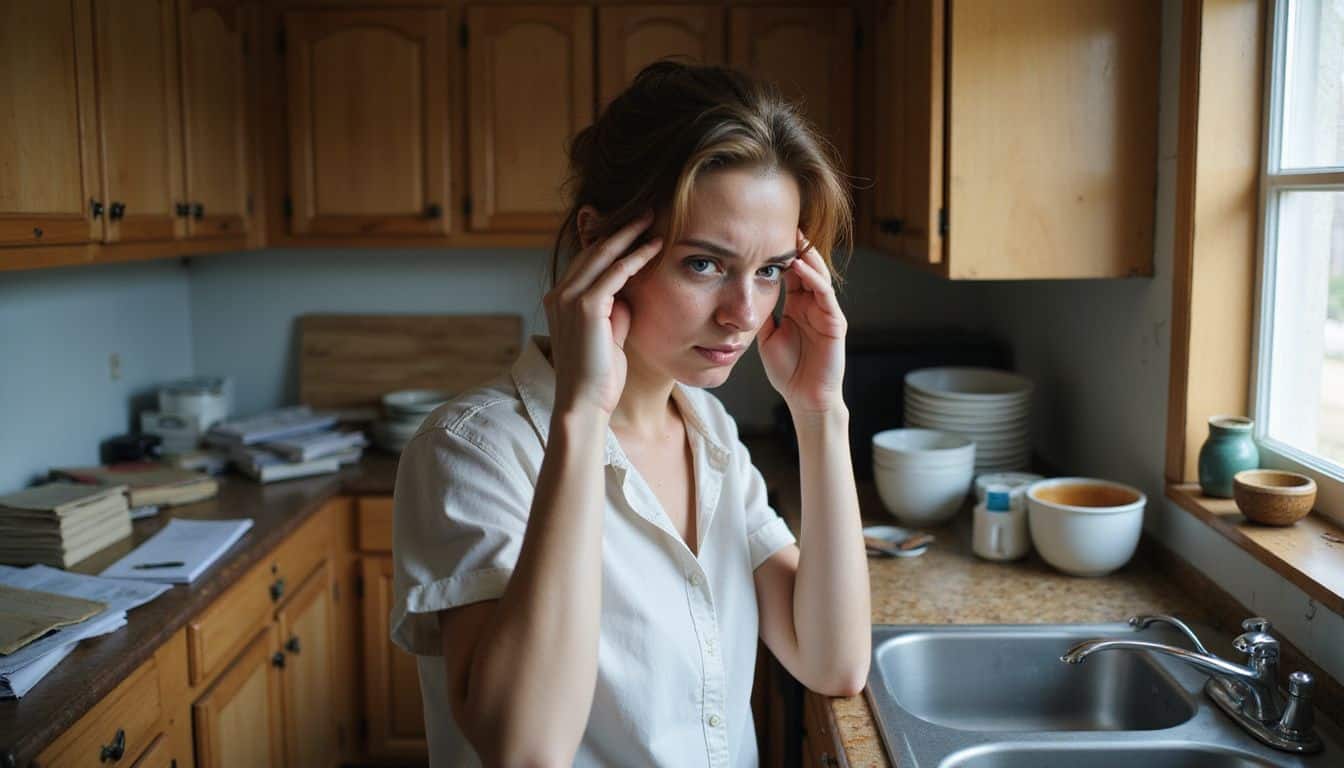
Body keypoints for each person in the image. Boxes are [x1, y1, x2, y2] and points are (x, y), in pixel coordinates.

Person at [391, 61, 871, 767]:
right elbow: (525, 750)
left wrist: (821, 412)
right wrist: (582, 419)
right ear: (600, 244)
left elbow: (832, 661)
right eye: (704, 264)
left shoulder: (710, 433)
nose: (744, 313)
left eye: (769, 270)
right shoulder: (471, 451)